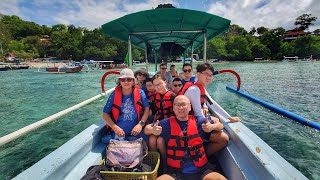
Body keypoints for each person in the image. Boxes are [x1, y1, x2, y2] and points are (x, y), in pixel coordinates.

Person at [144, 95, 226, 180]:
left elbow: (220, 125)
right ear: (173, 108)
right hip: (174, 172)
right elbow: (146, 129)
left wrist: (212, 127)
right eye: (177, 105)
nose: (180, 107)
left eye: (183, 104)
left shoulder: (199, 121)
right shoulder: (166, 123)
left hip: (202, 170)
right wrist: (153, 130)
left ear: (190, 107)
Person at [179, 63, 240, 156]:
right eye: (206, 74)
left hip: (193, 121)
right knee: (224, 139)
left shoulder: (200, 87)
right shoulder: (194, 90)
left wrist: (229, 117)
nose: (209, 77)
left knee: (217, 121)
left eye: (211, 75)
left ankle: (202, 152)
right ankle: (203, 157)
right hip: (186, 125)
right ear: (198, 75)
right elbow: (198, 114)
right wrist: (213, 125)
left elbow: (213, 104)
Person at [102, 68, 150, 142]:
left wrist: (140, 124)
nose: (126, 82)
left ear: (133, 81)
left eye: (129, 79)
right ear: (120, 82)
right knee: (104, 140)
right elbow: (105, 114)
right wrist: (115, 128)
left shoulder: (140, 93)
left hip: (135, 132)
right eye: (123, 80)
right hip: (119, 132)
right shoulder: (114, 94)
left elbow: (147, 109)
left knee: (146, 140)